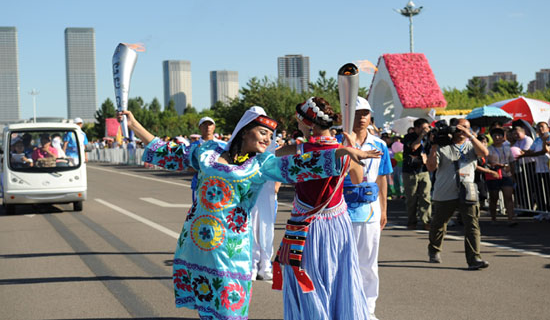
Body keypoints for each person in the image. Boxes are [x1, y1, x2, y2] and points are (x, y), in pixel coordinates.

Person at [118, 106, 377, 320]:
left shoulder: (262, 164)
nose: (267, 139)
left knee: (231, 313)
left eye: (270, 135)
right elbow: (166, 152)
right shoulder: (207, 152)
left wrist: (343, 151)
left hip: (232, 250)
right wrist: (134, 124)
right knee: (207, 310)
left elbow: (301, 166)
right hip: (198, 247)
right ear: (244, 132)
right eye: (262, 132)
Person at [273, 97, 381, 320]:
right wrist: (349, 148)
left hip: (307, 224)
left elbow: (272, 160)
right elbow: (358, 179)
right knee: (340, 277)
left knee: (310, 278)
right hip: (338, 221)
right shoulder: (343, 149)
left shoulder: (296, 150)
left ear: (309, 124)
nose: (298, 125)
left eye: (300, 121)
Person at [343, 97, 393, 320]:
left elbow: (382, 179)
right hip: (341, 209)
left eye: (365, 113)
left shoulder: (379, 144)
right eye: (357, 113)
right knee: (342, 261)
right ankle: (345, 306)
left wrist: (384, 209)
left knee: (369, 263)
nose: (362, 118)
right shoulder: (339, 142)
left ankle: (368, 309)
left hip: (370, 209)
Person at [427, 118, 490, 270]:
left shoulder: (471, 145)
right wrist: (434, 146)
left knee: (472, 226)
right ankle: (434, 249)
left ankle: (474, 258)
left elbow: (484, 153)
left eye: (465, 127)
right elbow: (431, 167)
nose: (461, 130)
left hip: (467, 191)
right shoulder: (443, 147)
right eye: (459, 127)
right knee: (438, 224)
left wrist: (470, 135)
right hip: (445, 192)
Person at [402, 118, 432, 230]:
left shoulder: (428, 137)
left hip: (424, 170)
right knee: (412, 198)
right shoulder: (408, 137)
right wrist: (421, 136)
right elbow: (413, 147)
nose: (426, 130)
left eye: (427, 128)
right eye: (424, 128)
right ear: (416, 128)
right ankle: (412, 221)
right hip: (410, 172)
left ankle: (426, 221)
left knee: (426, 197)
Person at [484, 128, 517, 226]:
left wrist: (512, 174)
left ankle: (511, 219)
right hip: (494, 175)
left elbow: (512, 161)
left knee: (508, 196)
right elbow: (486, 163)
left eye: (499, 135)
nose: (497, 137)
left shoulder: (507, 148)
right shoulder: (488, 149)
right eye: (495, 136)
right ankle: (493, 218)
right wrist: (496, 165)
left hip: (506, 175)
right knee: (494, 198)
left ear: (503, 137)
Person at [520, 122, 550, 212]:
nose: (540, 129)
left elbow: (545, 151)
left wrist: (527, 155)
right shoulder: (537, 140)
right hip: (539, 169)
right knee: (540, 191)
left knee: (548, 191)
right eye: (538, 127)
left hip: (548, 168)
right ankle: (542, 210)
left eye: (542, 127)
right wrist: (523, 153)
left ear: (547, 128)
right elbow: (530, 150)